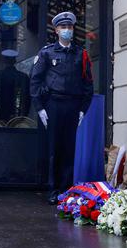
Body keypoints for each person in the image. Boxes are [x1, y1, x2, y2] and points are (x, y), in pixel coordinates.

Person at [29, 11, 94, 204]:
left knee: (69, 149)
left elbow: (88, 83)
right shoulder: (47, 52)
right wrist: (40, 108)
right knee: (54, 149)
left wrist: (83, 109)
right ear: (56, 30)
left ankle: (67, 190)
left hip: (73, 105)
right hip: (53, 105)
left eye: (70, 27)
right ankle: (53, 189)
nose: (67, 30)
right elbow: (35, 80)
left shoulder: (81, 54)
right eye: (63, 27)